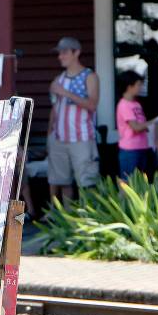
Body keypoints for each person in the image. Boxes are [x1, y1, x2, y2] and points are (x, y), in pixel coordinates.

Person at [48, 36, 100, 203]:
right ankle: (67, 223)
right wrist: (50, 134)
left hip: (82, 139)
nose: (60, 57)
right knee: (63, 182)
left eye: (64, 53)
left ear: (76, 52)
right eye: (59, 53)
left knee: (87, 183)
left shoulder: (89, 76)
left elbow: (92, 104)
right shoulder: (59, 79)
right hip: (59, 139)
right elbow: (55, 108)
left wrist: (66, 93)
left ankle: (89, 221)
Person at [116, 71, 152, 180]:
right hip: (130, 150)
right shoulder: (124, 104)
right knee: (128, 181)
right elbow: (136, 127)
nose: (140, 87)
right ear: (129, 86)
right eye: (138, 85)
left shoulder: (136, 104)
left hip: (142, 147)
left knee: (141, 181)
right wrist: (155, 122)